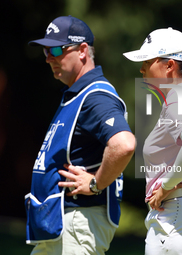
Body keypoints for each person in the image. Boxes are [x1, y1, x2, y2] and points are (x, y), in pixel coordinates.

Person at [25, 15, 136, 255]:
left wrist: (96, 183)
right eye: (46, 52)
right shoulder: (76, 95)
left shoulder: (95, 96)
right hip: (62, 226)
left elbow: (124, 144)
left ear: (83, 50)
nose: (49, 58)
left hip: (77, 224)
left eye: (56, 49)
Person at [123, 27, 182, 255]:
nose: (142, 68)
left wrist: (165, 186)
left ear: (169, 65)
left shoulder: (178, 97)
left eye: (148, 61)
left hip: (176, 220)